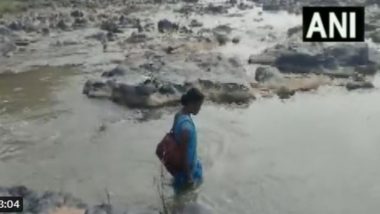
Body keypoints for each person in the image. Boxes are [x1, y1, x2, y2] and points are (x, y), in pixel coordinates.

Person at [170, 87, 205, 196]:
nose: (200, 109)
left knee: (180, 195)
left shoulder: (179, 115)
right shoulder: (186, 128)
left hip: (181, 168)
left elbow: (172, 136)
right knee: (185, 198)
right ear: (191, 103)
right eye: (199, 106)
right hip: (186, 171)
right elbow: (183, 154)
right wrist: (189, 176)